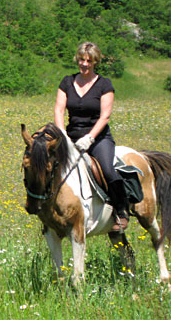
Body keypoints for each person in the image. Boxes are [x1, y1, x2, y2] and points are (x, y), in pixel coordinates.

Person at [54, 42, 128, 232]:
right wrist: (62, 133)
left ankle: (121, 210)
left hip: (98, 138)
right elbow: (59, 109)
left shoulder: (104, 84)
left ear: (95, 62)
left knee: (107, 169)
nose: (84, 64)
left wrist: (90, 137)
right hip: (70, 136)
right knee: (48, 165)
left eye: (89, 61)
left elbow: (105, 116)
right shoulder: (67, 82)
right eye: (81, 59)